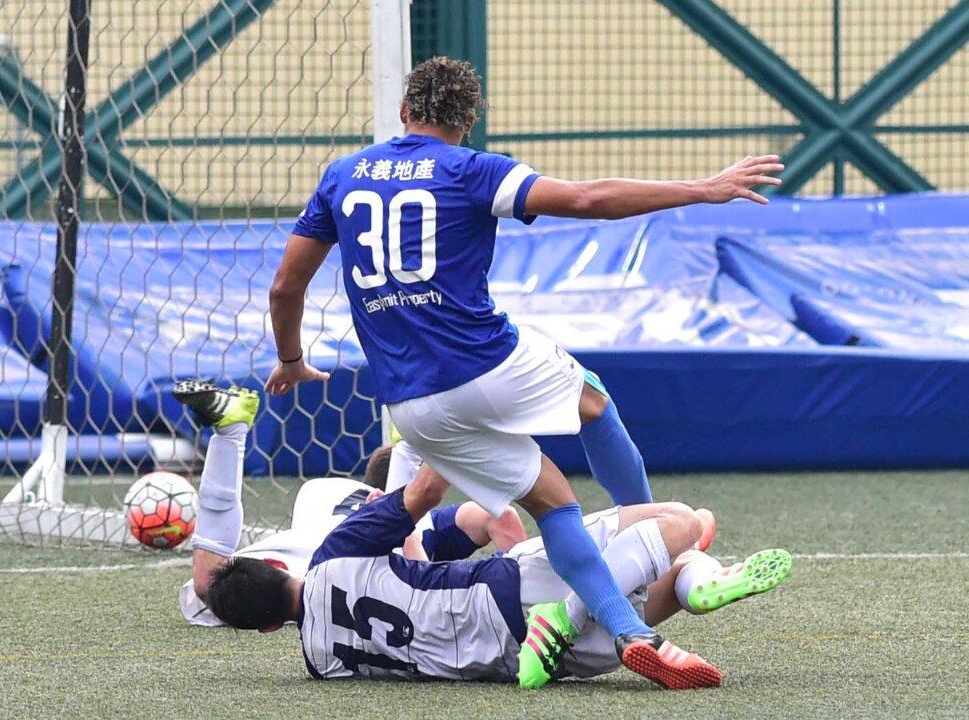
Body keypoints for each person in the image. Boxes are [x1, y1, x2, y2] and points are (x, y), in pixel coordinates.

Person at [263, 56, 782, 688]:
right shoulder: (470, 168)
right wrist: (702, 188)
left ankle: (632, 630)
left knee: (551, 503)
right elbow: (588, 199)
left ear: (404, 113)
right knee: (592, 402)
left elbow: (287, 286)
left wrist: (290, 359)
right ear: (470, 120)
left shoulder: (341, 177)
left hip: (411, 405)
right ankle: (652, 546)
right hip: (488, 360)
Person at [204, 482, 792, 686]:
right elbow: (424, 497)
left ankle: (691, 585)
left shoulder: (321, 662)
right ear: (281, 566)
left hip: (517, 664)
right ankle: (575, 611)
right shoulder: (333, 553)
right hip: (508, 592)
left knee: (647, 586)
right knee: (682, 521)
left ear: (267, 626)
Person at [172, 380, 527, 627]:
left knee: (213, 585)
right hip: (330, 562)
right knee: (396, 564)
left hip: (299, 555)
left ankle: (407, 442)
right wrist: (519, 586)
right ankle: (409, 442)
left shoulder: (318, 490)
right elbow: (502, 518)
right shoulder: (428, 524)